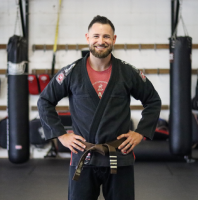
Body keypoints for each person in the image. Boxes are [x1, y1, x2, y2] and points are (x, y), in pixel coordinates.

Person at [37, 15, 161, 200]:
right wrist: (61, 135)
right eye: (96, 36)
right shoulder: (72, 72)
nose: (100, 41)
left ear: (114, 39)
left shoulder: (127, 72)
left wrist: (140, 132)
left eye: (106, 37)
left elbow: (153, 100)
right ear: (87, 38)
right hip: (83, 157)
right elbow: (45, 101)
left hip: (119, 155)